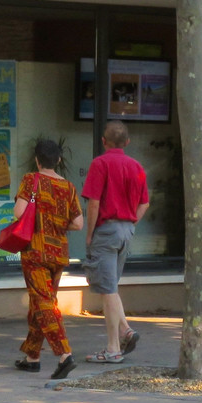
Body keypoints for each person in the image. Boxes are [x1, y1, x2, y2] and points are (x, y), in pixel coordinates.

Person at [14, 138, 83, 380]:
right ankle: (32, 357)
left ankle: (64, 354)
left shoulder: (31, 181)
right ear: (59, 160)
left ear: (36, 159)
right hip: (58, 254)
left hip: (35, 251)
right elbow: (78, 223)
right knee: (41, 303)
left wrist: (38, 209)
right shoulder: (69, 187)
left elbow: (20, 212)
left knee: (43, 304)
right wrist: (56, 221)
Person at [82, 119, 150, 363]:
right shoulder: (137, 167)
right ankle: (125, 330)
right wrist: (131, 224)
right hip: (126, 232)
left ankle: (113, 348)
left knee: (107, 289)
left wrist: (90, 233)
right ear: (127, 142)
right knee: (111, 286)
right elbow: (145, 202)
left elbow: (94, 202)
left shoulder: (100, 164)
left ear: (103, 141)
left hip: (106, 230)